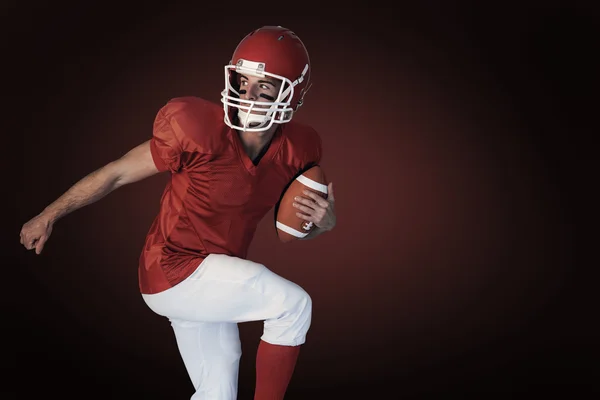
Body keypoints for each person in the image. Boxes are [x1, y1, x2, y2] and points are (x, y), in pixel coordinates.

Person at [19, 26, 336, 400]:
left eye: (263, 87)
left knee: (216, 394)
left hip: (214, 280)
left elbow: (290, 229)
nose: (247, 96)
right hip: (173, 269)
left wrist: (325, 223)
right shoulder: (197, 127)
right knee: (293, 306)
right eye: (242, 81)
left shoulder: (298, 148)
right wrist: (49, 214)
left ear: (292, 96)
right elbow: (117, 172)